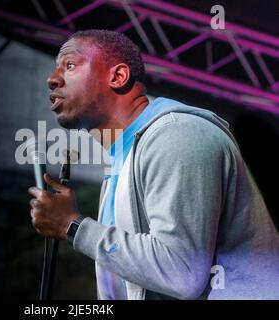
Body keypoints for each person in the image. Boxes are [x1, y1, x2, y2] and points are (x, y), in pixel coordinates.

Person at [27, 29, 279, 299]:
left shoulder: (177, 134)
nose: (52, 79)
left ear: (118, 76)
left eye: (70, 65)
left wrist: (73, 226)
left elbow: (181, 271)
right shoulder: (124, 160)